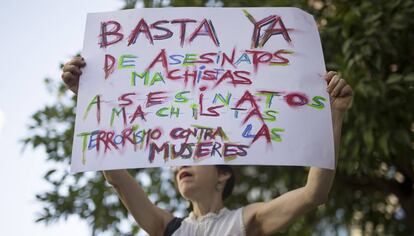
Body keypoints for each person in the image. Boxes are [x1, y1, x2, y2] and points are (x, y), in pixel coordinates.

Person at [62, 56, 353, 236]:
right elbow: (114, 175)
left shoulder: (246, 221)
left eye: (194, 156)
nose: (180, 165)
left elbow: (314, 193)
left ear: (223, 174)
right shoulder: (167, 228)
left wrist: (334, 116)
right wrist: (89, 96)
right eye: (178, 161)